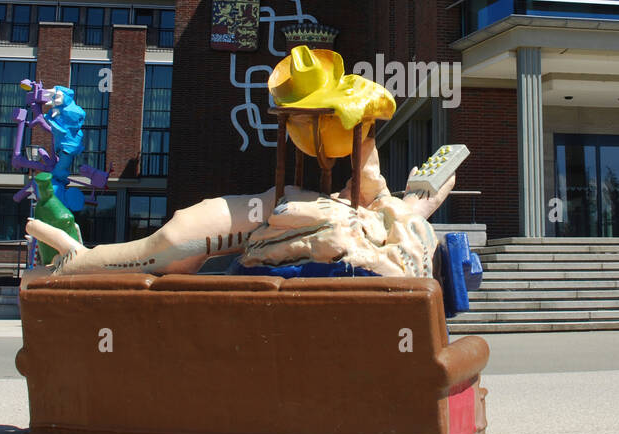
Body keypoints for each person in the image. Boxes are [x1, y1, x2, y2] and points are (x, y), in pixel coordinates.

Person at [24, 46, 454, 282]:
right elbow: (369, 184)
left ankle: (76, 260)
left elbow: (369, 184)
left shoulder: (346, 208)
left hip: (257, 215)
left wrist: (411, 198)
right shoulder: (343, 203)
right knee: (166, 245)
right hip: (250, 216)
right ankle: (76, 260)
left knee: (166, 245)